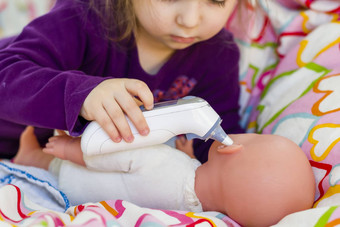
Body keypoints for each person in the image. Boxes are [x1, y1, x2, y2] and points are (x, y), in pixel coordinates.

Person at [0, 0, 245, 163]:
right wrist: (83, 95)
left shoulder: (218, 55)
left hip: (55, 153)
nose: (189, 20)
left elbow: (220, 139)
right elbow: (6, 76)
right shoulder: (85, 15)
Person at [14, 126, 316, 227]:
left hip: (72, 177)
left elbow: (116, 157)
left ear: (230, 150)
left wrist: (69, 148)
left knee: (46, 162)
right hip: (86, 198)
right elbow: (177, 188)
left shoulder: (164, 161)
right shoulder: (200, 212)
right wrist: (189, 157)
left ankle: (29, 158)